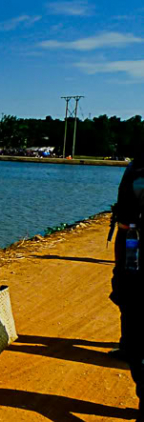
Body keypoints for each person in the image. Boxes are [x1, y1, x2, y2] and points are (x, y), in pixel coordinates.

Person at [110, 157, 144, 418]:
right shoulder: (134, 169)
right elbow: (124, 228)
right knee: (134, 341)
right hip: (133, 258)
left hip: (131, 257)